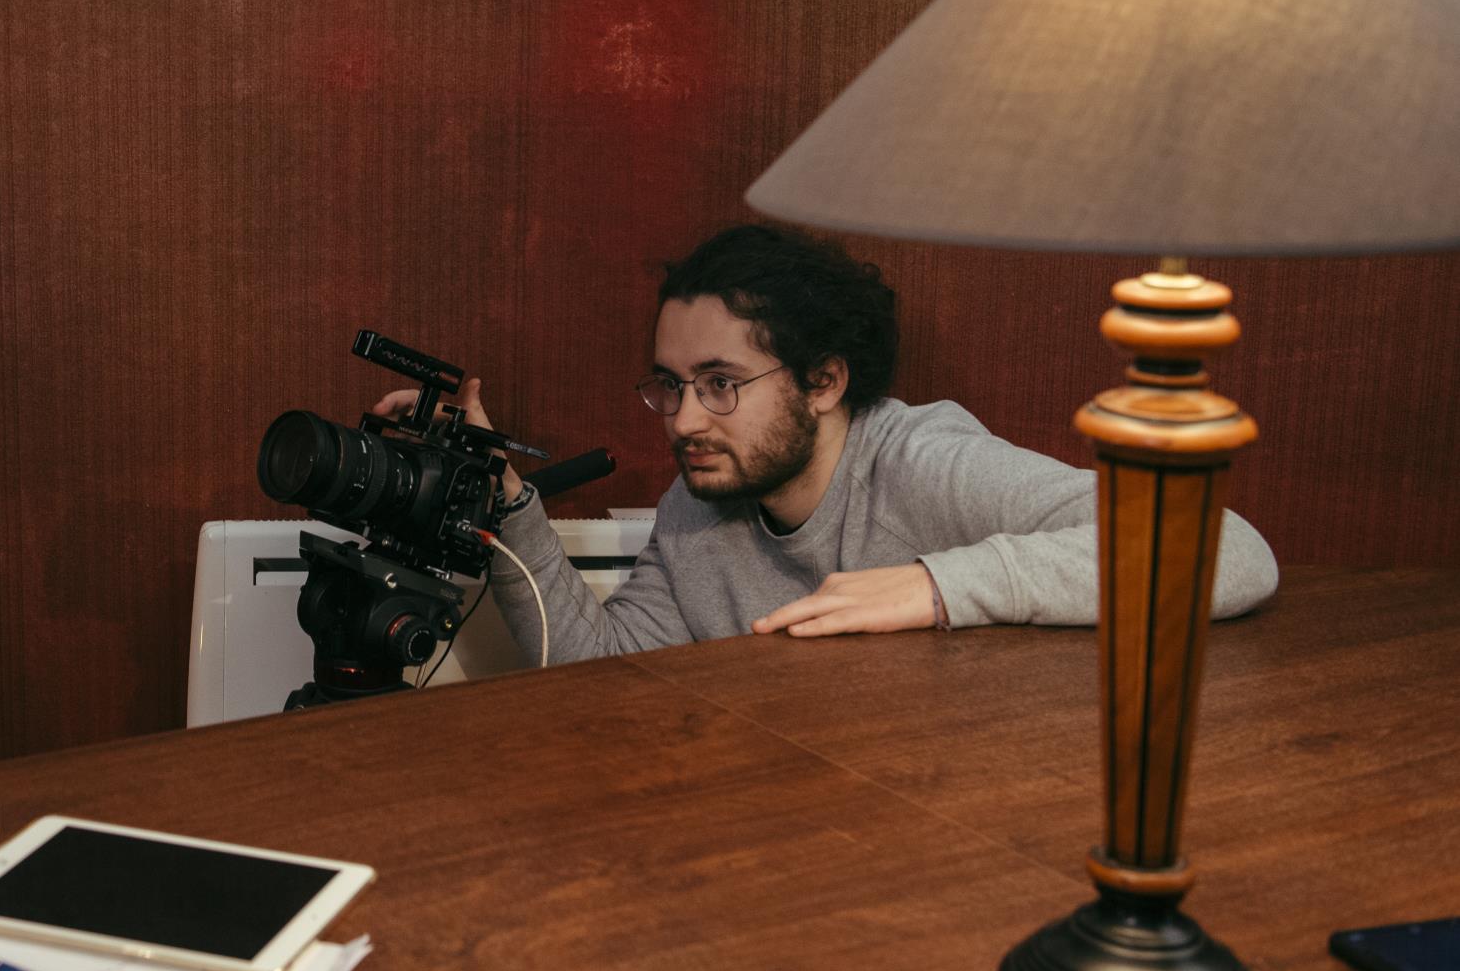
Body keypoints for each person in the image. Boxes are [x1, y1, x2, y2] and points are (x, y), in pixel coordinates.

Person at [377, 223, 1277, 662]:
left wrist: (935, 586)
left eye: (721, 384)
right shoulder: (699, 506)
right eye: (672, 386)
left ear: (824, 381)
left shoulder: (921, 461)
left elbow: (1221, 548)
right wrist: (502, 499)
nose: (684, 421)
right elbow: (598, 670)